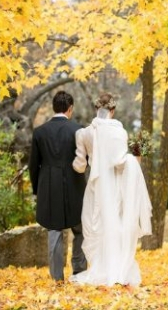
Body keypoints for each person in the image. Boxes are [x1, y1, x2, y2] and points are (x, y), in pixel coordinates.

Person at [70, 93, 152, 286]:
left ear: (96, 109)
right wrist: (136, 158)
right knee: (115, 226)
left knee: (97, 227)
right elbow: (120, 164)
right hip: (114, 188)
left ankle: (101, 268)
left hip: (95, 188)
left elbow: (79, 166)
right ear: (112, 110)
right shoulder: (119, 132)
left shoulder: (83, 134)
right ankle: (116, 269)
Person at [29, 91, 87, 282]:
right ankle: (79, 271)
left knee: (54, 231)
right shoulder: (78, 130)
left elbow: (33, 165)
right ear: (70, 109)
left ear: (54, 107)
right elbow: (84, 160)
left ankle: (57, 278)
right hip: (75, 186)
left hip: (49, 188)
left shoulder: (39, 132)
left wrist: (38, 190)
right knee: (80, 229)